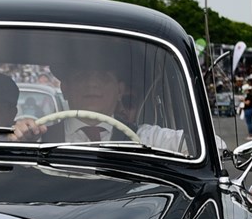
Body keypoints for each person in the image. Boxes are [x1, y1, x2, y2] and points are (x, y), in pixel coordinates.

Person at [11, 59, 186, 153]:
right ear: (65, 89)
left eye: (104, 78)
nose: (92, 85)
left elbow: (203, 147)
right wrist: (19, 141)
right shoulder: (38, 139)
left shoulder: (147, 140)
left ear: (120, 91)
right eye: (81, 77)